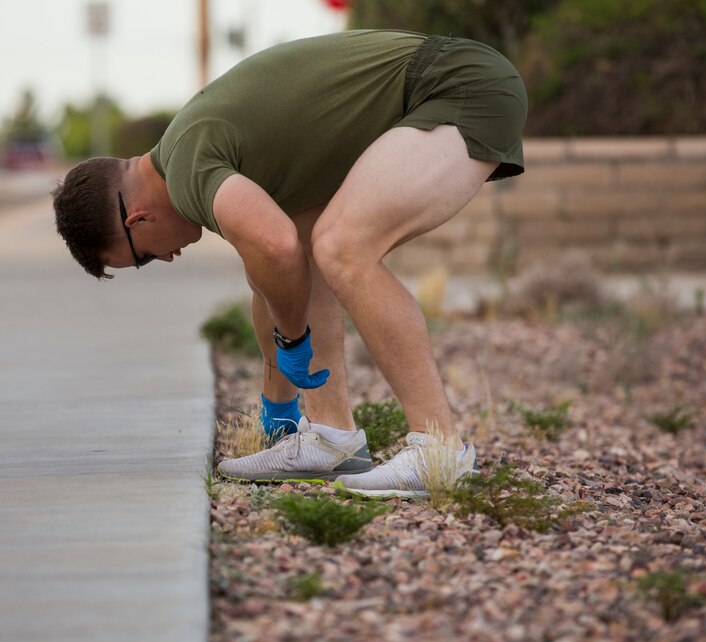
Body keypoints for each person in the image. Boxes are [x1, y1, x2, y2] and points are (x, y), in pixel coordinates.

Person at [53, 30, 527, 499]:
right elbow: (271, 268)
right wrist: (277, 404)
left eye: (143, 258)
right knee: (307, 246)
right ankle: (329, 438)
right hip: (438, 91)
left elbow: (274, 247)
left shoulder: (187, 171)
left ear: (137, 218)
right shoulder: (186, 155)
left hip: (456, 87)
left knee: (342, 247)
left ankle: (439, 451)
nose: (165, 258)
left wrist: (293, 339)